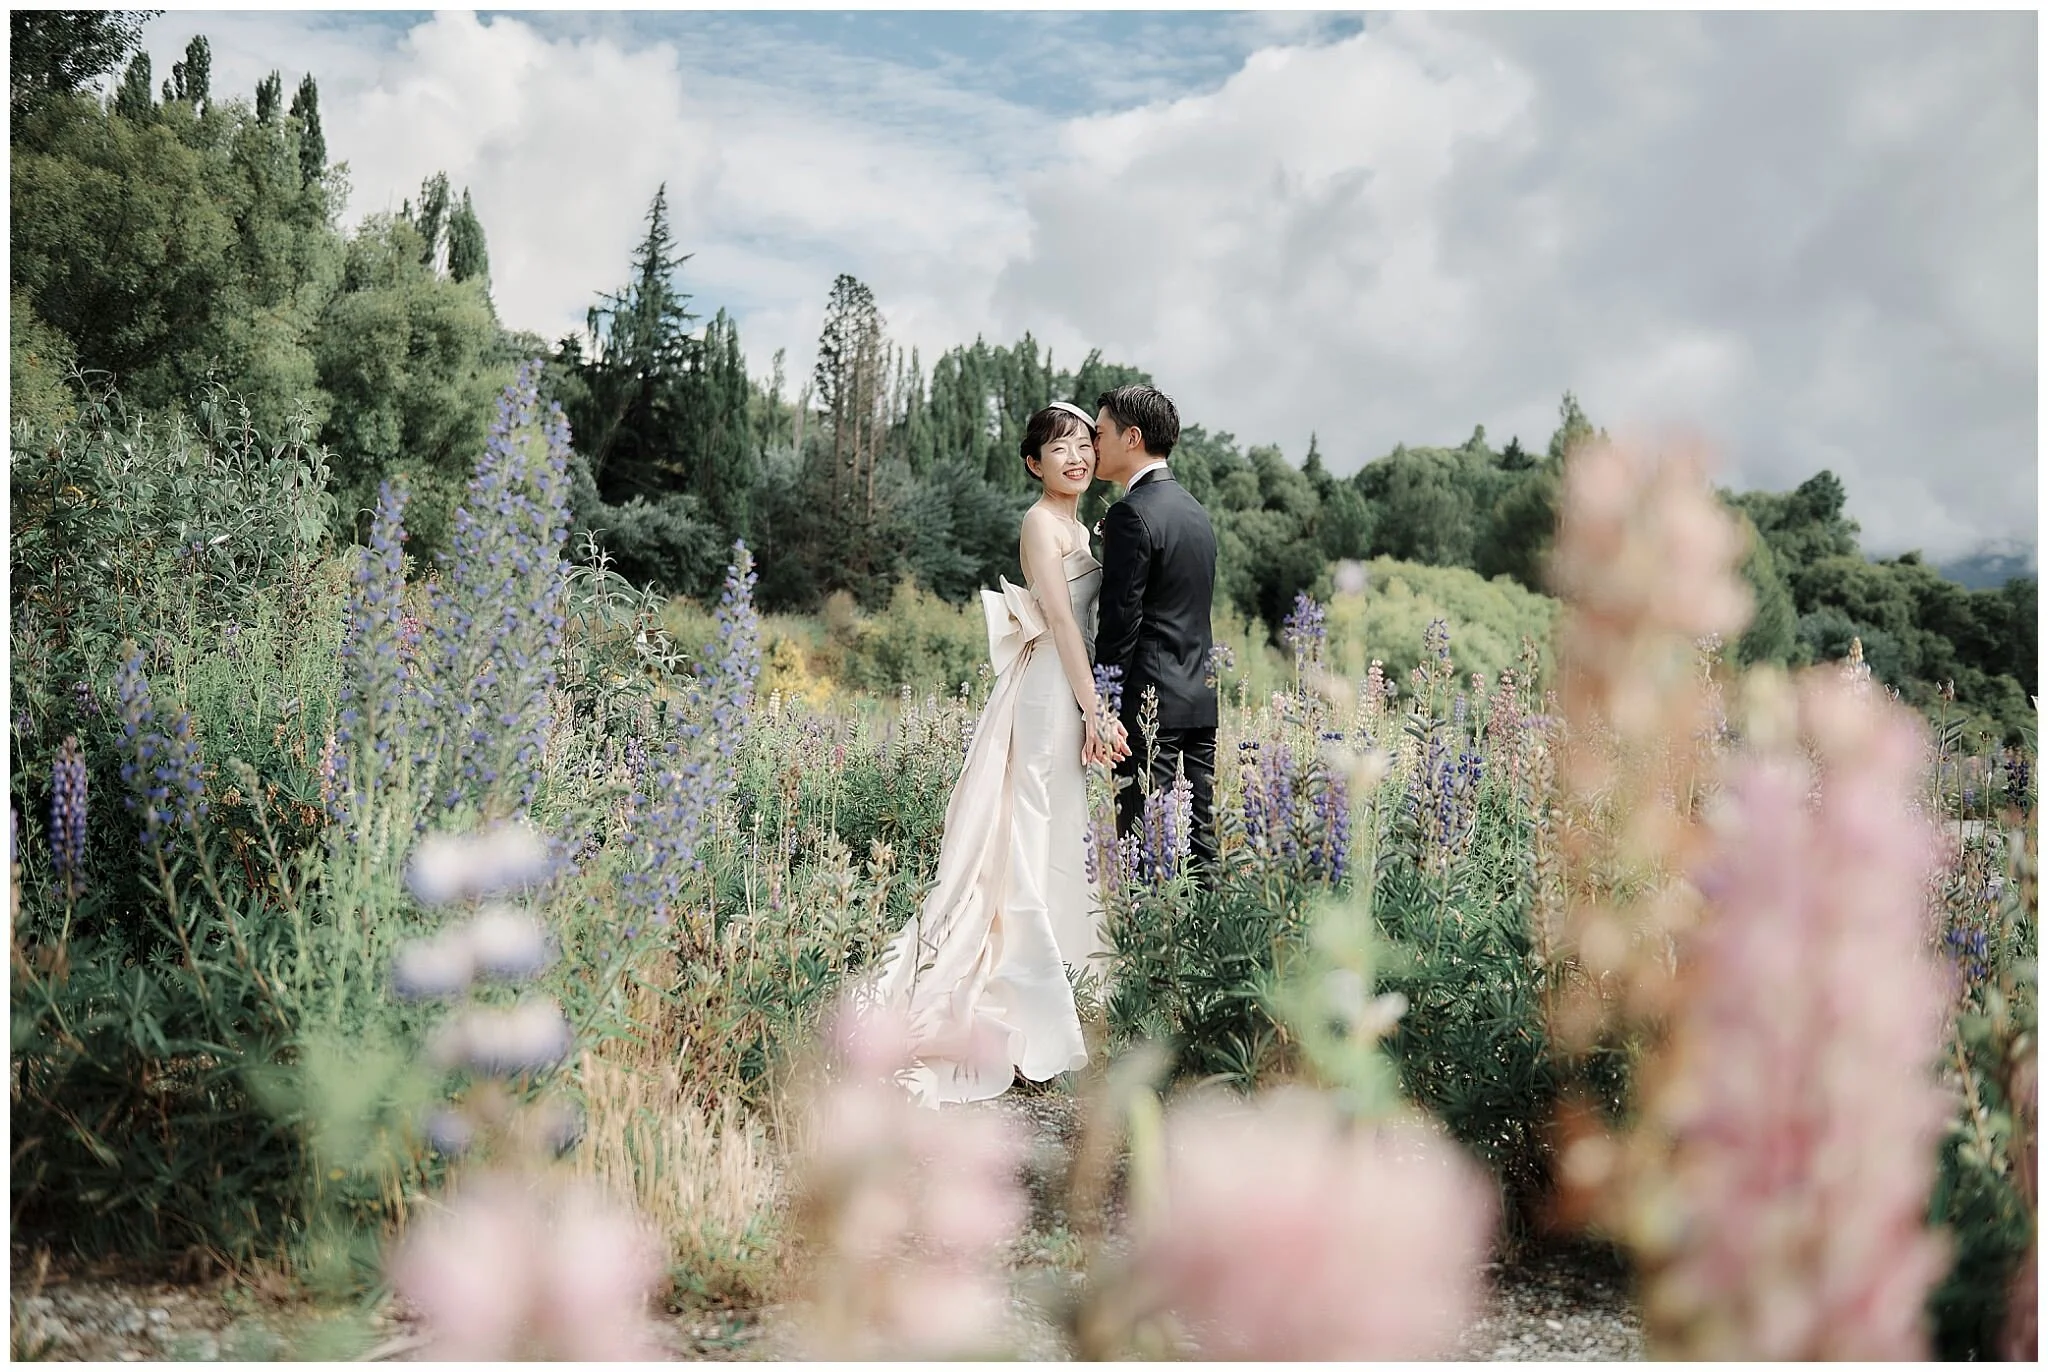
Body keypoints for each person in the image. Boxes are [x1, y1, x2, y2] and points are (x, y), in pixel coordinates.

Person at [851, 400, 1110, 1106]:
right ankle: (1025, 1011)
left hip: (1071, 683)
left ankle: (1060, 990)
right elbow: (1059, 619)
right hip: (1051, 691)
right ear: (1034, 462)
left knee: (1058, 828)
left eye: (1085, 444)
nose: (1076, 457)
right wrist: (1095, 709)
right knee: (1024, 832)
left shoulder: (1079, 524)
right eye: (1059, 448)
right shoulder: (1038, 521)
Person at [1091, 384, 1220, 871]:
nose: (1092, 444)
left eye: (1100, 433)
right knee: (1201, 845)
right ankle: (1208, 940)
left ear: (1133, 438)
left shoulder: (1131, 515)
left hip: (1148, 709)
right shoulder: (1196, 512)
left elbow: (1120, 624)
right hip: (1199, 700)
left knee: (1145, 845)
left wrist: (1102, 707)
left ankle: (1149, 946)